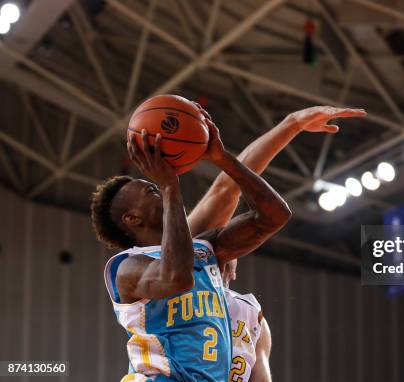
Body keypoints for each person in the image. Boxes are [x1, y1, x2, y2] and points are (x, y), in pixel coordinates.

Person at [91, 107, 292, 382]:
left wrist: (222, 158)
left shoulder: (205, 248)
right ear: (132, 218)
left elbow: (274, 216)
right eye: (151, 190)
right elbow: (178, 277)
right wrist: (169, 187)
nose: (158, 186)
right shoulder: (127, 268)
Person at [187, 106, 366, 382]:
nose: (219, 235)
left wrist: (292, 123)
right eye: (212, 240)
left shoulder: (251, 317)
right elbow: (226, 189)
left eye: (223, 239)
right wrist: (290, 125)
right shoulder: (174, 269)